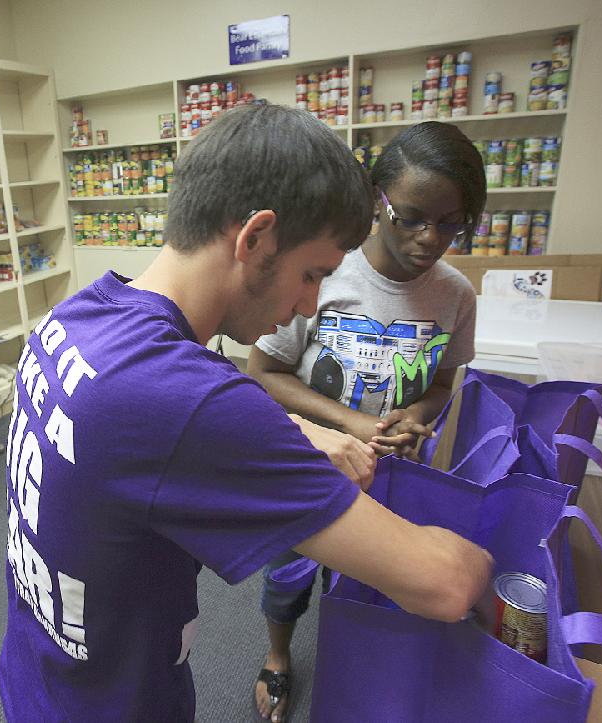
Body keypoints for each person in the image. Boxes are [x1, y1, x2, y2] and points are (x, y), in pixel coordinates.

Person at [0, 105, 493, 721]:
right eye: (312, 274)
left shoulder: (78, 314)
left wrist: (308, 430)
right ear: (254, 238)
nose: (308, 303)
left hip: (40, 675)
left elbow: (152, 428)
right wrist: (489, 555)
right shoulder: (191, 401)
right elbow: (443, 585)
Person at [248, 121, 486, 721]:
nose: (431, 237)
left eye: (452, 222)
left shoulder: (455, 296)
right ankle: (277, 656)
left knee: (375, 581)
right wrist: (350, 421)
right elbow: (264, 373)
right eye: (411, 217)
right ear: (377, 200)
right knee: (288, 576)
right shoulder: (327, 273)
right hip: (313, 464)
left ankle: (365, 666)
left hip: (397, 471)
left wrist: (418, 415)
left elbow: (440, 385)